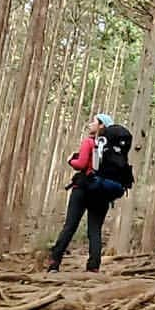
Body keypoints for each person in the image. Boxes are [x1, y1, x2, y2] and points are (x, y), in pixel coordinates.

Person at [48, 113, 116, 273]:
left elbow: (81, 164)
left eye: (94, 121)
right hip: (102, 194)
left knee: (70, 226)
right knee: (95, 230)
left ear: (101, 126)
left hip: (83, 189)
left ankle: (54, 262)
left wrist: (70, 160)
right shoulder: (112, 148)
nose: (90, 124)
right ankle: (93, 267)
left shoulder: (89, 142)